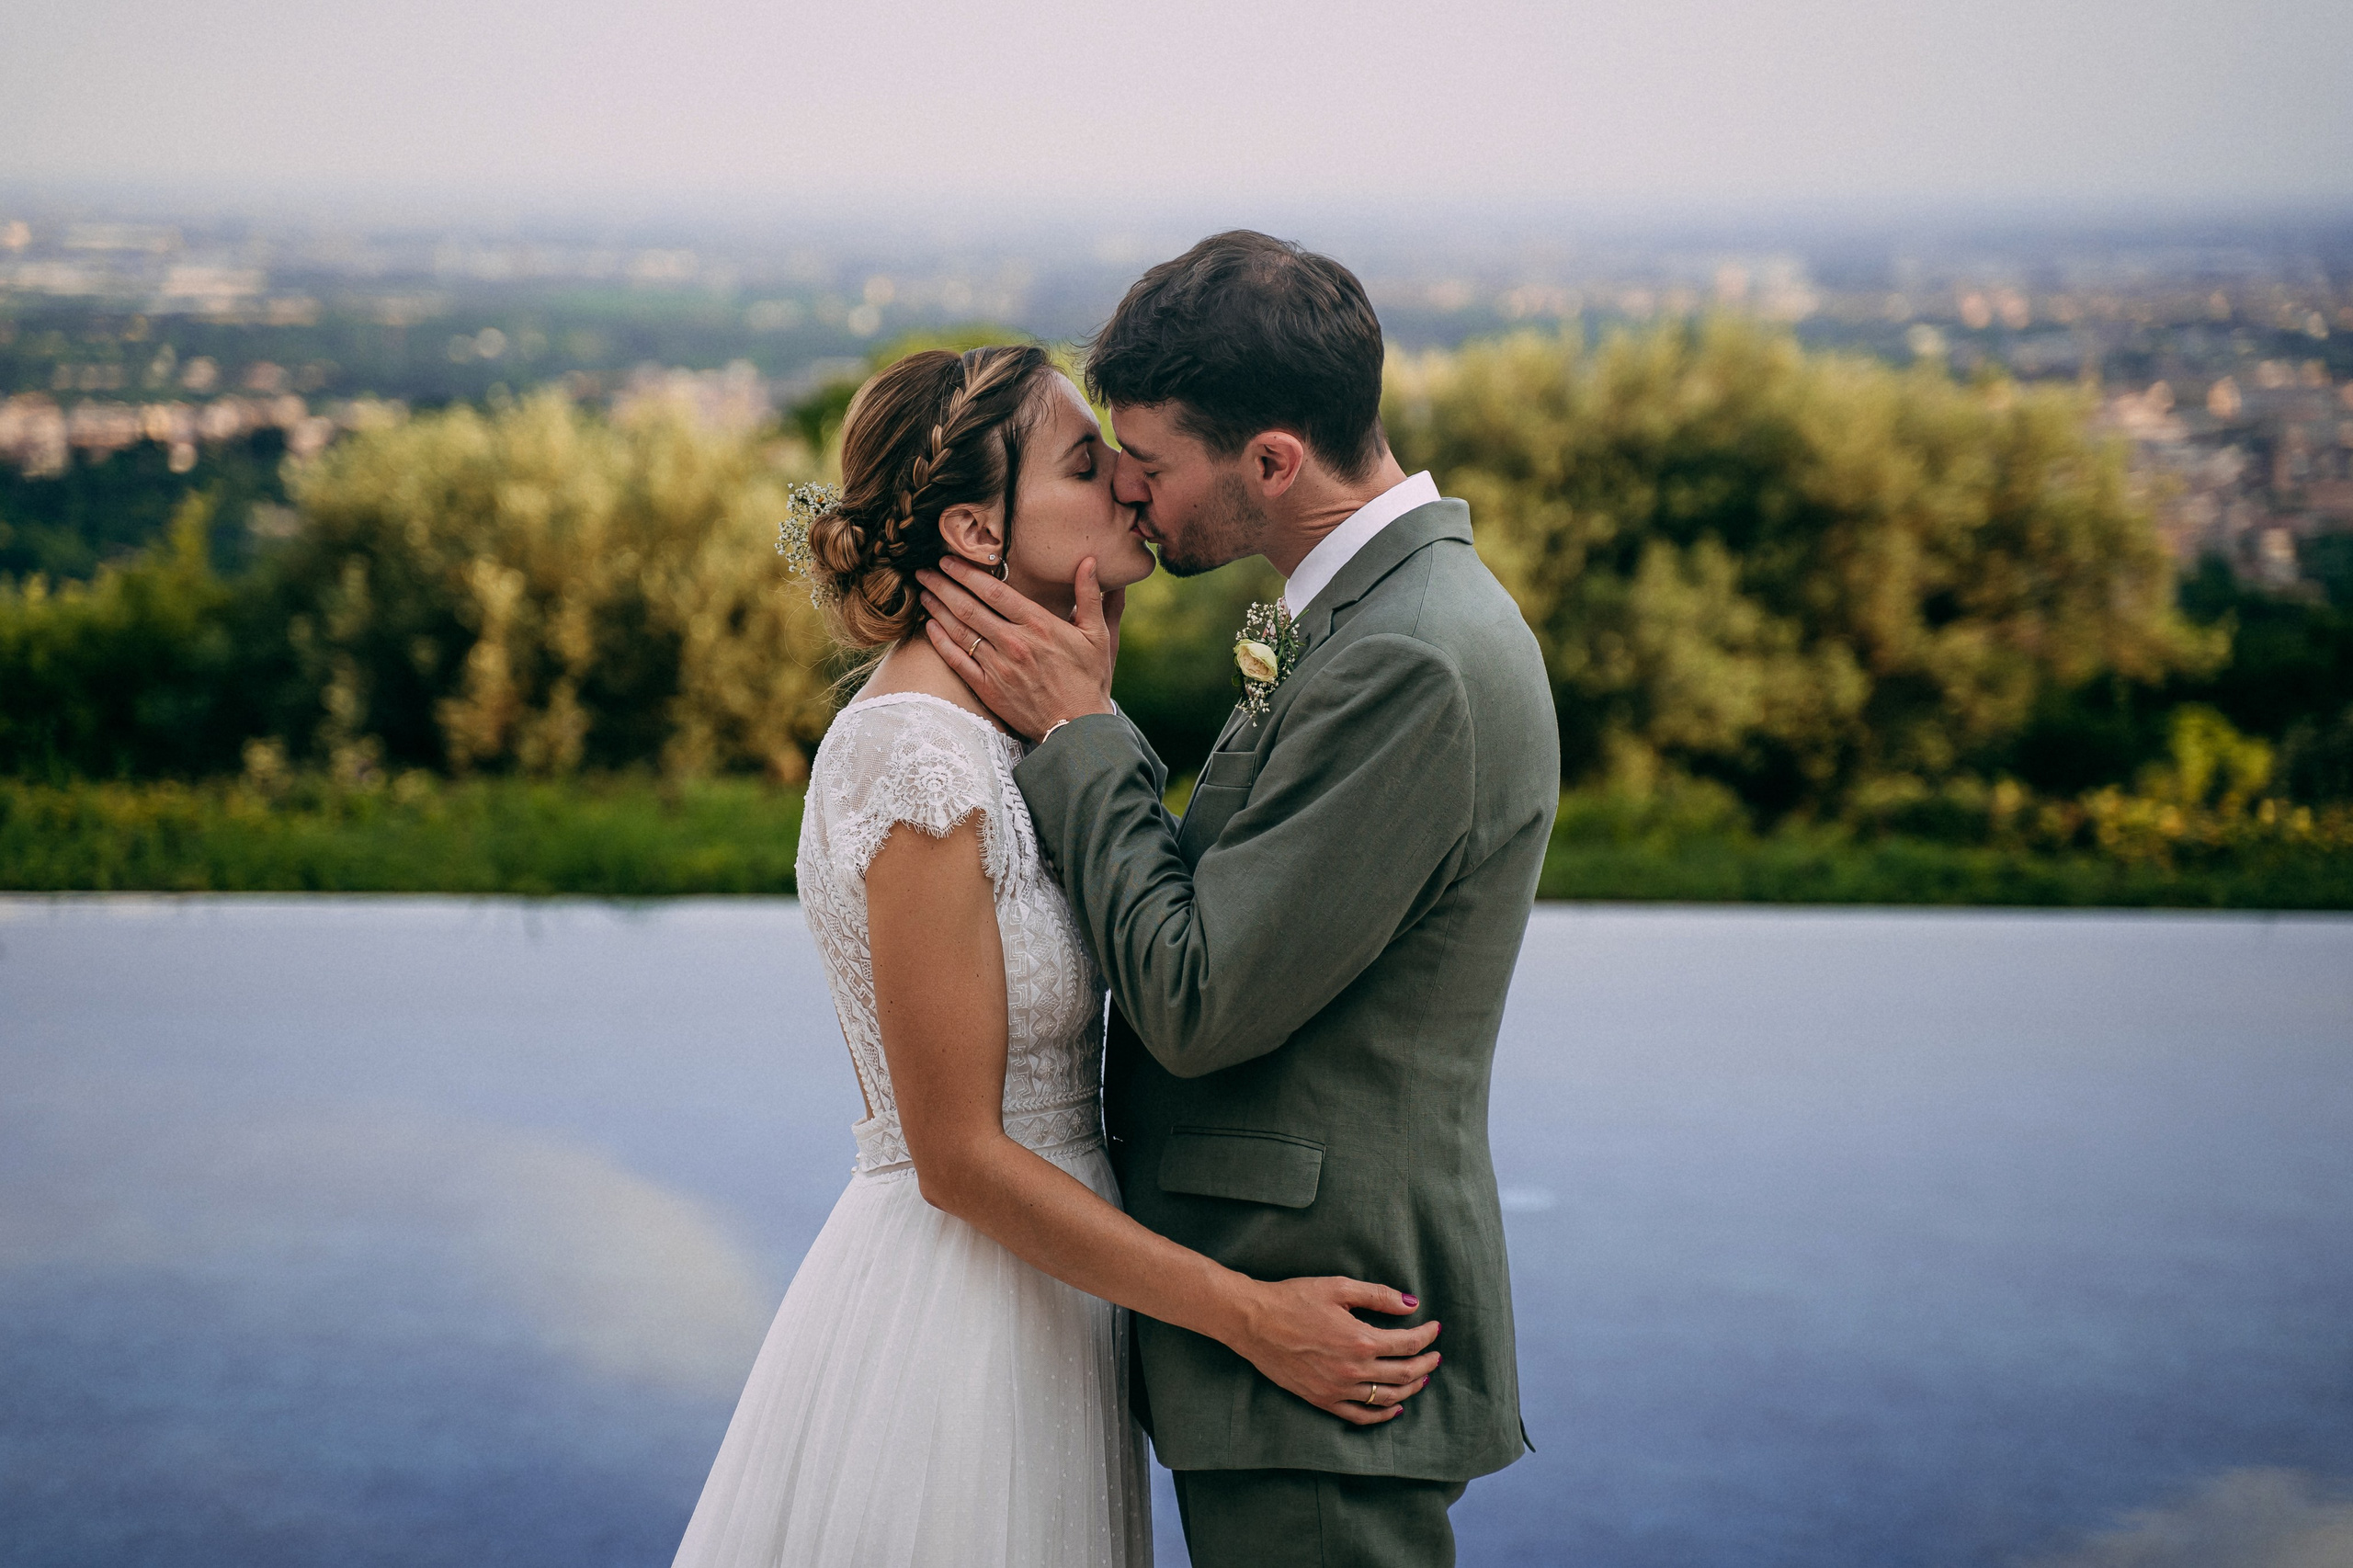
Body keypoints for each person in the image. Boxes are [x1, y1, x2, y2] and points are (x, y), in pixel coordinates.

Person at [671, 343, 1439, 1568]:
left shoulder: (1029, 724)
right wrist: (1252, 1318)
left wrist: (1090, 707)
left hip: (1059, 1303)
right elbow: (957, 1159)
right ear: (976, 530)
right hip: (958, 1322)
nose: (1131, 483)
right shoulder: (916, 755)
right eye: (1087, 465)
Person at [916, 233, 1560, 1568]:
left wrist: (1083, 734)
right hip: (1278, 1321)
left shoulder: (1409, 660)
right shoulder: (1379, 619)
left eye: (1149, 463)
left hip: (1315, 1324)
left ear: (1270, 461)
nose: (1129, 490)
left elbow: (1200, 999)